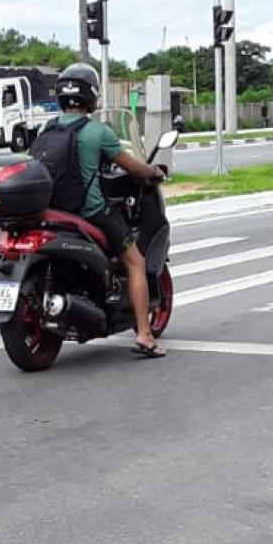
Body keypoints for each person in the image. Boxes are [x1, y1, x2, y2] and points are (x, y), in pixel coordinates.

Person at [36, 63, 168, 357]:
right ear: (91, 96)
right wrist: (154, 172)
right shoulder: (98, 132)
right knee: (135, 260)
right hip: (88, 211)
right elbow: (131, 167)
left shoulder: (47, 128)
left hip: (51, 210)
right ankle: (144, 335)